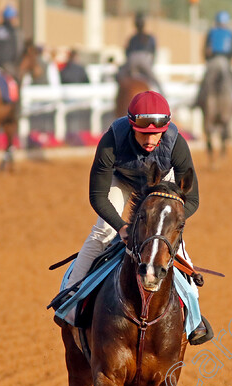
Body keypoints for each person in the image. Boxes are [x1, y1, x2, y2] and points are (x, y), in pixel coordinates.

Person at [64, 91, 212, 345]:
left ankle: (194, 317)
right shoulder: (112, 140)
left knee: (172, 243)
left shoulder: (176, 144)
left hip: (159, 184)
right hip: (122, 181)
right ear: (132, 125)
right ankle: (71, 299)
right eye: (144, 133)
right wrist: (121, 226)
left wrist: (166, 222)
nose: (151, 139)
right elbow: (98, 195)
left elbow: (193, 199)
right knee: (103, 233)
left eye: (157, 133)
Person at [195, 11, 232, 109]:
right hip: (226, 61)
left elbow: (206, 49)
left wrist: (207, 59)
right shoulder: (230, 33)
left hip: (213, 61)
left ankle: (197, 100)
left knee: (205, 80)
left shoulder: (211, 32)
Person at [119, 11, 161, 91]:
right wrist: (151, 64)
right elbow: (154, 52)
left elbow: (127, 52)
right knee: (155, 81)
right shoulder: (150, 37)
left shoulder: (132, 38)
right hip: (145, 59)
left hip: (132, 59)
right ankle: (163, 96)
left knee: (122, 76)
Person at [0, 5, 21, 78]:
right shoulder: (13, 31)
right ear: (12, 18)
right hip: (5, 64)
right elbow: (17, 50)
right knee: (17, 79)